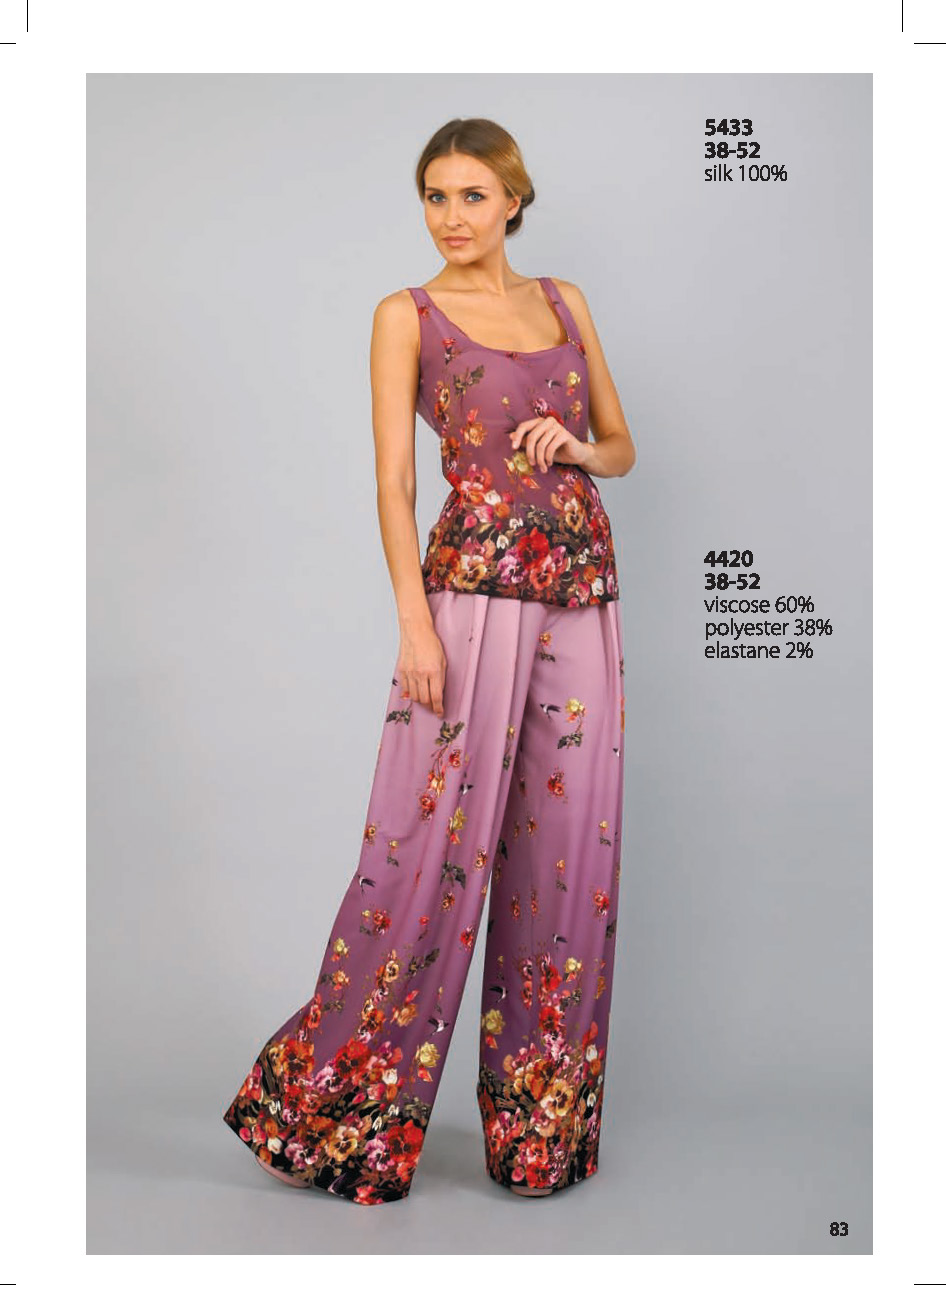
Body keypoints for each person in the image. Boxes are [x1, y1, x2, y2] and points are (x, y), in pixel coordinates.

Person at [223, 117, 637, 1205]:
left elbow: (620, 446)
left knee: (568, 857)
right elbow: (395, 482)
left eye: (471, 196)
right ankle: (333, 1117)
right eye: (434, 196)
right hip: (469, 595)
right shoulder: (403, 314)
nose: (450, 217)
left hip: (581, 591)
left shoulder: (564, 302)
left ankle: (537, 1137)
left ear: (513, 199)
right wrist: (414, 623)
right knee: (426, 850)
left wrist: (577, 449)